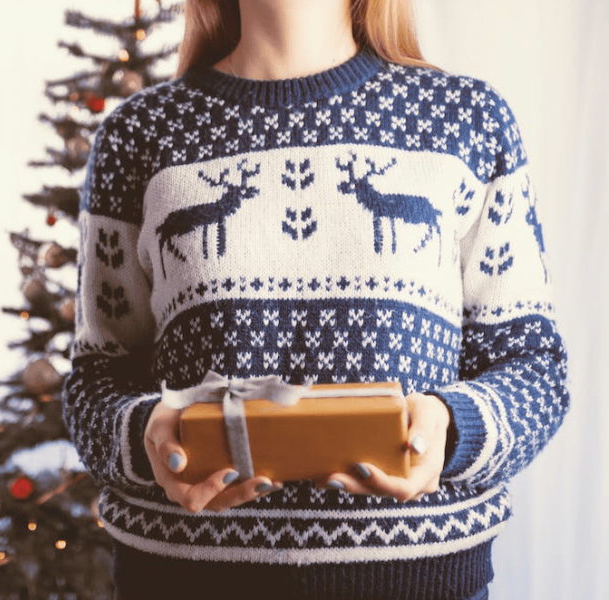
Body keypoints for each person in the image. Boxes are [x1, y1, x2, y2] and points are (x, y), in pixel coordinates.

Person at [63, 0, 569, 598]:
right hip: (185, 576)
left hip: (417, 580)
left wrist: (452, 430)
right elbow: (97, 377)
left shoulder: (467, 120)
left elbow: (536, 368)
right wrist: (147, 435)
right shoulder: (139, 136)